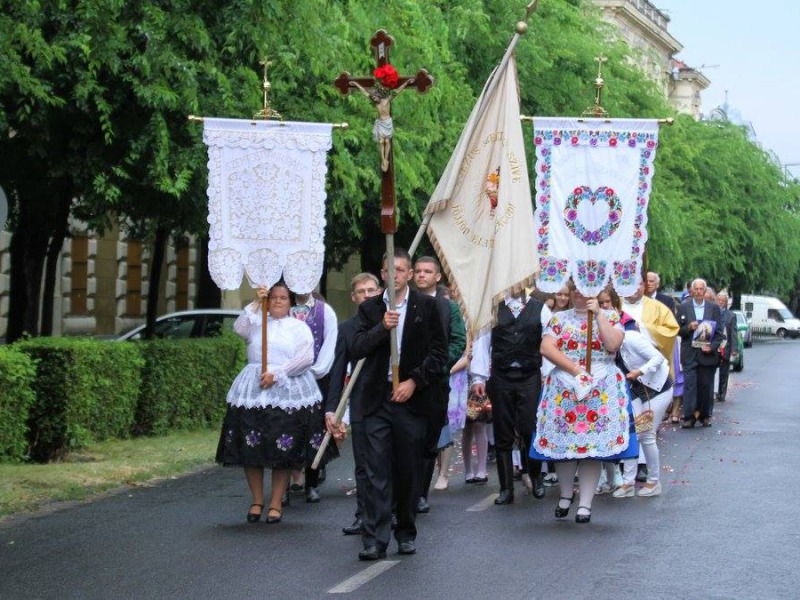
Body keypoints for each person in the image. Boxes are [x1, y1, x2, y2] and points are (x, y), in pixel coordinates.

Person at [351, 248, 447, 560]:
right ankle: (375, 539)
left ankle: (405, 530)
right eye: (390, 270)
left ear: (408, 274)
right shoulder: (369, 309)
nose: (396, 276)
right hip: (377, 400)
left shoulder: (428, 307)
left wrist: (413, 381)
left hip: (411, 400)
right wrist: (383, 327)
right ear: (382, 275)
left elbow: (438, 354)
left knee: (408, 469)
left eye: (402, 270)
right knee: (377, 469)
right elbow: (358, 347)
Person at [530, 279, 638, 524]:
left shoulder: (610, 316)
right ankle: (566, 494)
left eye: (585, 287)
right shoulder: (559, 319)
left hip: (600, 387)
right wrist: (574, 370)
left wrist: (598, 314)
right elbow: (547, 348)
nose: (579, 292)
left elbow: (612, 344)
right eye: (575, 288)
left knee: (592, 448)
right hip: (566, 386)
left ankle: (586, 503)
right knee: (565, 444)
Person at [216, 282, 322, 525]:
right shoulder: (257, 323)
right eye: (272, 297)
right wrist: (255, 302)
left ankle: (275, 502)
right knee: (251, 447)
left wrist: (278, 373)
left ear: (290, 301)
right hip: (253, 390)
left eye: (282, 298)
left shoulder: (298, 327)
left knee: (281, 449)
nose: (277, 301)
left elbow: (305, 357)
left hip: (283, 390)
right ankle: (256, 500)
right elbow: (239, 328)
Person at [470, 290, 551, 505]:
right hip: (501, 375)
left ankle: (535, 476)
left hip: (530, 375)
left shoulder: (541, 308)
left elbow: (549, 342)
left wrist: (549, 374)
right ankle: (506, 488)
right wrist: (478, 377)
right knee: (502, 430)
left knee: (528, 427)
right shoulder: (493, 308)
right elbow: (482, 342)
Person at [599, 287, 673, 498]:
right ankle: (629, 482)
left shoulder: (631, 337)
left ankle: (653, 481)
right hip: (636, 391)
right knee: (632, 432)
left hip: (657, 389)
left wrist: (640, 371)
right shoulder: (609, 347)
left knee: (646, 434)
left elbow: (658, 358)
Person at [326, 273, 382, 536]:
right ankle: (363, 514)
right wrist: (332, 409)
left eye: (372, 290)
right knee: (362, 462)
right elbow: (337, 371)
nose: (367, 295)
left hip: (388, 400)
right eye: (361, 291)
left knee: (384, 462)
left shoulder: (390, 321)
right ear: (353, 296)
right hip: (360, 400)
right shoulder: (346, 328)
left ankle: (387, 512)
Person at [413, 257, 466, 508]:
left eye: (428, 271)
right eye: (419, 271)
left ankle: (421, 493)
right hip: (407, 381)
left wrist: (439, 367)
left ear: (437, 277)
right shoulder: (406, 303)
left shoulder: (449, 308)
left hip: (435, 381)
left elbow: (458, 341)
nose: (422, 275)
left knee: (429, 438)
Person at [622, 278, 679, 481]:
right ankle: (626, 471)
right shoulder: (616, 305)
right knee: (631, 424)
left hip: (653, 376)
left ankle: (646, 469)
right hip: (626, 375)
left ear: (644, 286)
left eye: (638, 284)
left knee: (646, 429)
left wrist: (643, 329)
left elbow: (671, 331)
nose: (633, 288)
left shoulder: (657, 307)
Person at [289, 290, 338, 503]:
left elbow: (329, 342)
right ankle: (287, 482)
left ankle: (311, 482)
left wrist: (315, 370)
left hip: (316, 377)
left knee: (314, 431)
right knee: (286, 428)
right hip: (286, 379)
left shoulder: (324, 311)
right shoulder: (282, 308)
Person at [677, 278, 724, 428]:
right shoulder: (684, 307)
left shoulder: (713, 308)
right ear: (691, 291)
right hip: (689, 353)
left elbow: (719, 332)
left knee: (705, 385)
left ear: (705, 291)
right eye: (695, 289)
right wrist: (689, 328)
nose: (698, 292)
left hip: (707, 353)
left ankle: (705, 415)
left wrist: (712, 346)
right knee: (690, 385)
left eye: (700, 289)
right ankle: (689, 416)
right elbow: (677, 330)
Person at [350, 78, 413, 172]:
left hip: (387, 123)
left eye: (375, 97)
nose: (373, 99)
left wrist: (407, 82)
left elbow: (398, 90)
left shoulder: (387, 100)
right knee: (380, 141)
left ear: (379, 95)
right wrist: (356, 84)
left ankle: (386, 159)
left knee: (387, 142)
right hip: (380, 123)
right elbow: (364, 92)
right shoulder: (375, 103)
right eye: (373, 98)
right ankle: (383, 160)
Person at [715, 290, 735, 403]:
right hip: (714, 347)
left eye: (723, 301)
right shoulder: (712, 312)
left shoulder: (731, 316)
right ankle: (713, 392)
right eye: (719, 300)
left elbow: (733, 333)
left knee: (724, 372)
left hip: (725, 347)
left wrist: (734, 349)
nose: (721, 302)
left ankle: (722, 394)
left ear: (726, 303)